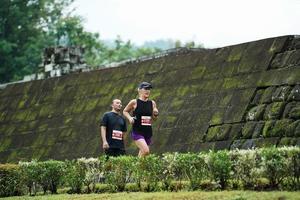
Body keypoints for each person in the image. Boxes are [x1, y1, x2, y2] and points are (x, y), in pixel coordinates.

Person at [123, 82, 159, 157]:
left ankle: (137, 167)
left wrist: (155, 114)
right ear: (139, 90)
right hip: (137, 131)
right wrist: (130, 118)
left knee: (144, 154)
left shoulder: (152, 103)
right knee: (146, 151)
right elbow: (125, 111)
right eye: (145, 88)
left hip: (148, 132)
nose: (147, 91)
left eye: (149, 89)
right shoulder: (134, 102)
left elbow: (154, 119)